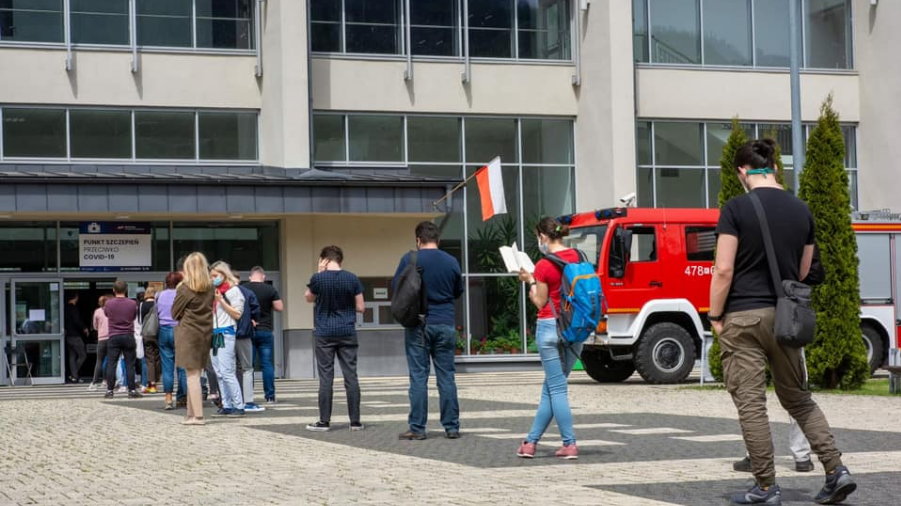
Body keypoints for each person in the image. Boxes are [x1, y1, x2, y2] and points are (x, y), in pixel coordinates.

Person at [709, 139, 856, 505]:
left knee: (751, 404)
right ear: (774, 167)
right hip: (786, 318)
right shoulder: (800, 209)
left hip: (743, 317)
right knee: (799, 400)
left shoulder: (736, 208)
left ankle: (765, 487)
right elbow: (804, 271)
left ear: (743, 171)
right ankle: (836, 470)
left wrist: (714, 315)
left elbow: (723, 269)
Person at [515, 217, 583, 460]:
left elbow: (540, 301)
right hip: (575, 327)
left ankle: (570, 443)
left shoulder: (543, 265)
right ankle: (530, 442)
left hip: (549, 327)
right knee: (551, 387)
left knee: (556, 388)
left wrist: (530, 280)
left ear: (543, 237)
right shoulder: (579, 256)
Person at [393, 221, 464, 440]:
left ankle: (417, 428)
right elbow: (457, 291)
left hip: (418, 325)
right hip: (445, 324)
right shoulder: (451, 261)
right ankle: (451, 427)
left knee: (418, 377)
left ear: (418, 239)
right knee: (446, 377)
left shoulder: (409, 259)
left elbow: (398, 288)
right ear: (438, 240)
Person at [304, 246, 366, 432]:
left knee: (326, 378)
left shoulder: (318, 279)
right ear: (340, 260)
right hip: (347, 331)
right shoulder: (352, 278)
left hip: (324, 333)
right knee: (351, 376)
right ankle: (355, 421)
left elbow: (308, 298)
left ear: (324, 259)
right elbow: (361, 307)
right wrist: (345, 308)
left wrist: (319, 273)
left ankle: (324, 421)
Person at [172, 253, 215, 425]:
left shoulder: (184, 288)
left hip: (189, 333)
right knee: (196, 373)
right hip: (205, 332)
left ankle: (197, 416)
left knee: (192, 375)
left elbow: (174, 313)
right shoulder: (210, 287)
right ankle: (190, 414)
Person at [209, 260, 245, 417]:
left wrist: (221, 302)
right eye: (211, 276)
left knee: (227, 371)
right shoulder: (214, 291)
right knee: (219, 372)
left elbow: (237, 314)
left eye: (215, 275)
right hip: (215, 332)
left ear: (224, 274)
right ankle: (227, 404)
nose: (212, 279)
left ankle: (238, 404)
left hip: (226, 331)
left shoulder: (233, 291)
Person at [245, 266, 283, 404]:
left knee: (248, 365)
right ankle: (270, 396)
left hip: (248, 331)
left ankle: (248, 396)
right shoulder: (270, 289)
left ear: (250, 276)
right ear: (263, 277)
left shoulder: (244, 288)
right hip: (265, 330)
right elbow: (280, 307)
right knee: (266, 364)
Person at [104, 281, 140, 399]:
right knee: (130, 364)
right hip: (128, 335)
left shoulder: (109, 304)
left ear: (114, 290)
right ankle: (132, 390)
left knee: (112, 364)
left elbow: (107, 315)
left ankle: (110, 391)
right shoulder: (132, 303)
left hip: (114, 336)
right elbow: (134, 316)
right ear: (126, 290)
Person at [233, 273, 263, 413]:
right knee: (247, 368)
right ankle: (248, 401)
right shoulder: (247, 292)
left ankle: (232, 400)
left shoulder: (222, 293)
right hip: (244, 333)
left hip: (226, 333)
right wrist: (254, 320)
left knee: (229, 369)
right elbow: (256, 309)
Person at [158, 272, 188, 410]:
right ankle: (182, 397)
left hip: (164, 330)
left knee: (167, 367)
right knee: (182, 366)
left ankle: (168, 398)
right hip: (179, 329)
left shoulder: (159, 295)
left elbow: (156, 312)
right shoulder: (181, 294)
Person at [138, 286, 160, 394]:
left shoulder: (142, 305)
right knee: (157, 358)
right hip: (157, 333)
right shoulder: (157, 304)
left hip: (147, 334)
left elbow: (140, 321)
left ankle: (152, 384)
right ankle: (157, 380)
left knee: (149, 359)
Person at [64, 293, 88, 383]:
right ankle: (73, 374)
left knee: (72, 356)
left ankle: (74, 376)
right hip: (75, 335)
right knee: (83, 355)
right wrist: (84, 328)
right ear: (75, 298)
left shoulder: (64, 308)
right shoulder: (73, 308)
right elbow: (77, 320)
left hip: (68, 335)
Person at [87, 295, 110, 391]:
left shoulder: (97, 312)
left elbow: (95, 326)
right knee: (110, 361)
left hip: (101, 338)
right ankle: (107, 381)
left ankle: (94, 382)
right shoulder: (111, 311)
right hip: (111, 337)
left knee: (99, 361)